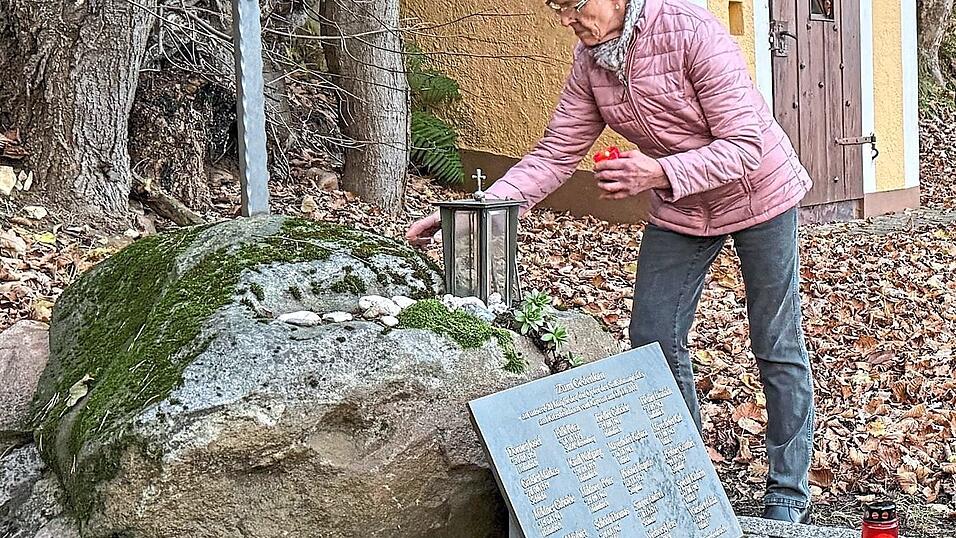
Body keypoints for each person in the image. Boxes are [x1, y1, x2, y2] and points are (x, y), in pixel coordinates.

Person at [406, 0, 815, 523]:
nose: (565, 18)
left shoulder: (689, 31)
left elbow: (745, 145)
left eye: (574, 4)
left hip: (760, 194)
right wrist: (474, 213)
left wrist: (656, 172)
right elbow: (555, 154)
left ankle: (788, 492)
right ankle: (688, 481)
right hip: (683, 209)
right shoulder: (590, 62)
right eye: (556, 6)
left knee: (775, 339)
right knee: (652, 338)